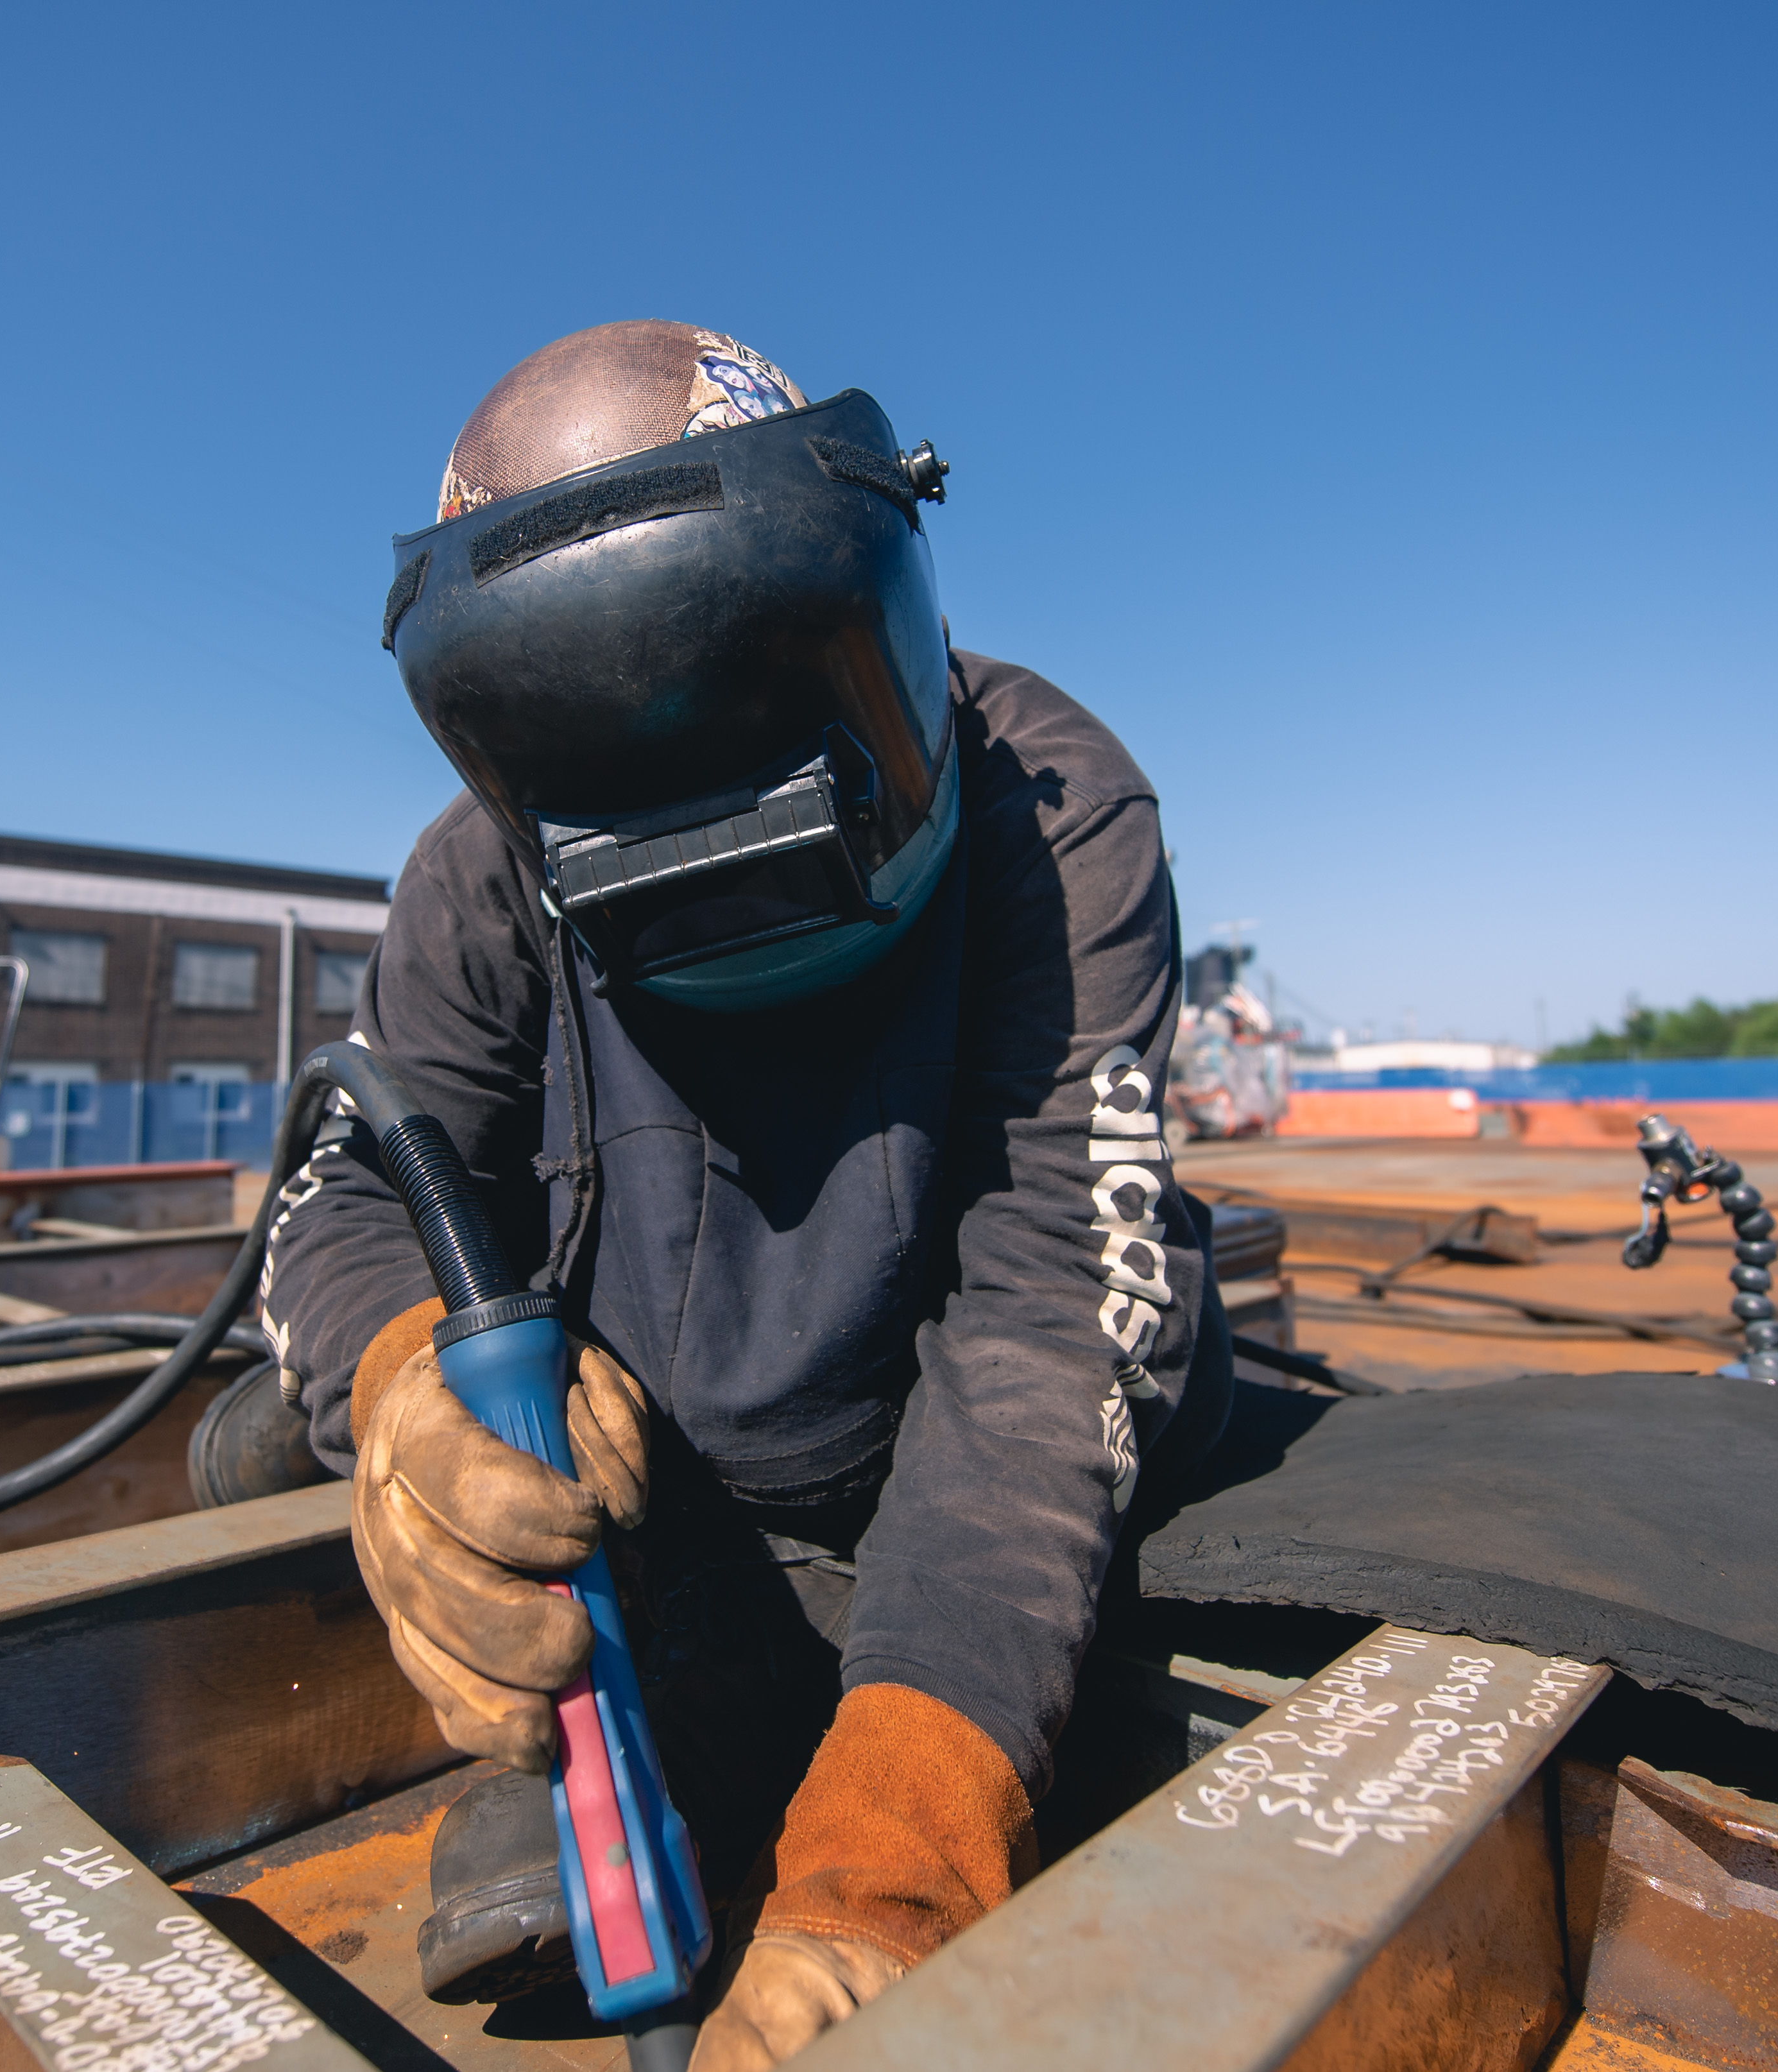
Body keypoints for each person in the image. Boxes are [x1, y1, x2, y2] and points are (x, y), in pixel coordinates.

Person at [259, 319, 1229, 2068]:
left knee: (1143, 1436)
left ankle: (778, 1751)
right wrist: (400, 1382)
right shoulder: (478, 877)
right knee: (294, 1427)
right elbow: (348, 1198)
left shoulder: (1047, 802)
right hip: (663, 1471)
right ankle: (656, 1750)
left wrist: (892, 1869)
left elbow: (1047, 1321)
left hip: (934, 1442)